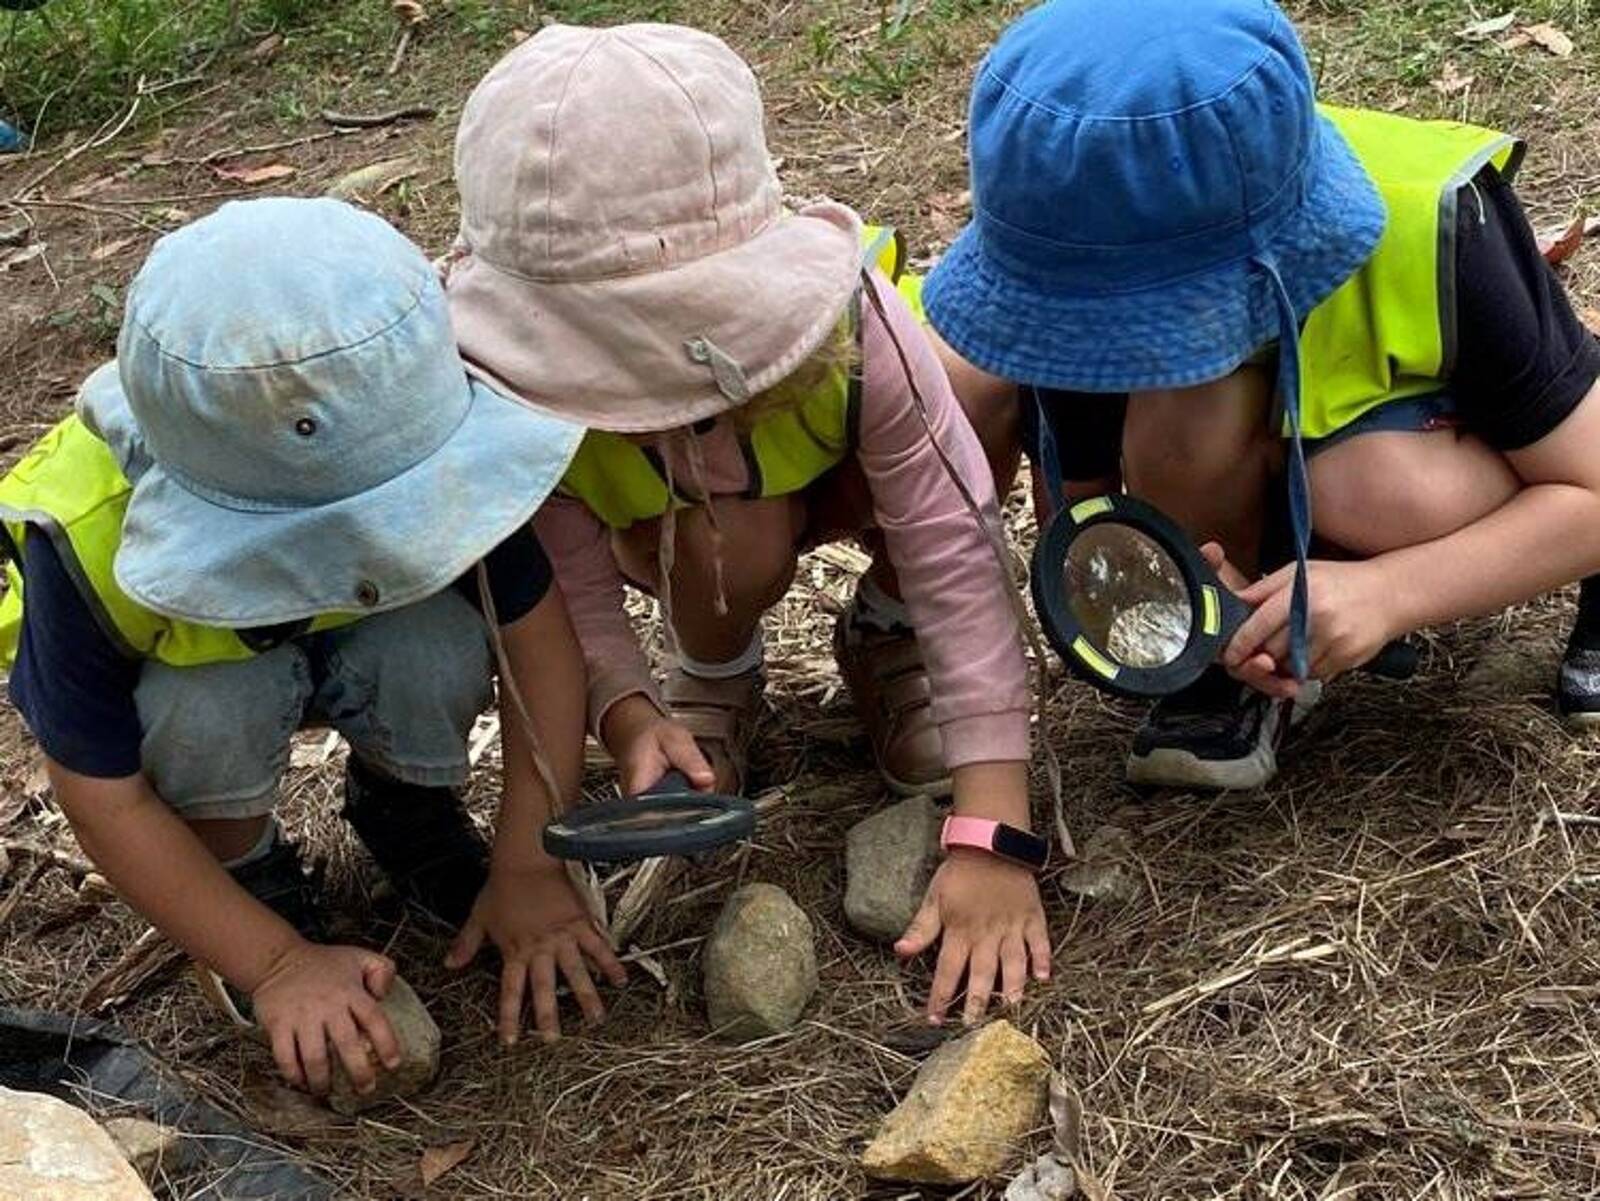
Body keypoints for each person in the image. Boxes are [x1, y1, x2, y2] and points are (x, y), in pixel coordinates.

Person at [444, 23, 1052, 1025]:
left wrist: (993, 822)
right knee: (732, 543)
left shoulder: (857, 326)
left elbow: (953, 542)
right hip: (689, 526)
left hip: (838, 470)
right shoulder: (512, 403)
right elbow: (567, 595)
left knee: (969, 388)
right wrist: (630, 712)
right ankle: (715, 675)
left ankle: (883, 635)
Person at [0, 198, 625, 1098]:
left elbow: (543, 652)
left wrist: (530, 861)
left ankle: (405, 810)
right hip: (202, 676)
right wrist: (274, 963)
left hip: (370, 638)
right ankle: (243, 871)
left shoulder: (422, 440)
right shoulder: (85, 541)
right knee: (205, 704)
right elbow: (103, 799)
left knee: (434, 640)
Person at [923, 0, 1600, 789]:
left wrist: (1387, 593)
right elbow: (1082, 504)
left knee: (1375, 489)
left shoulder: (1441, 223)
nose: (1111, 345)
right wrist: (1166, 590)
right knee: (1186, 420)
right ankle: (1252, 643)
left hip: (1426, 439)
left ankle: (1363, 561)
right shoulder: (1077, 248)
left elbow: (1592, 489)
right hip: (1271, 435)